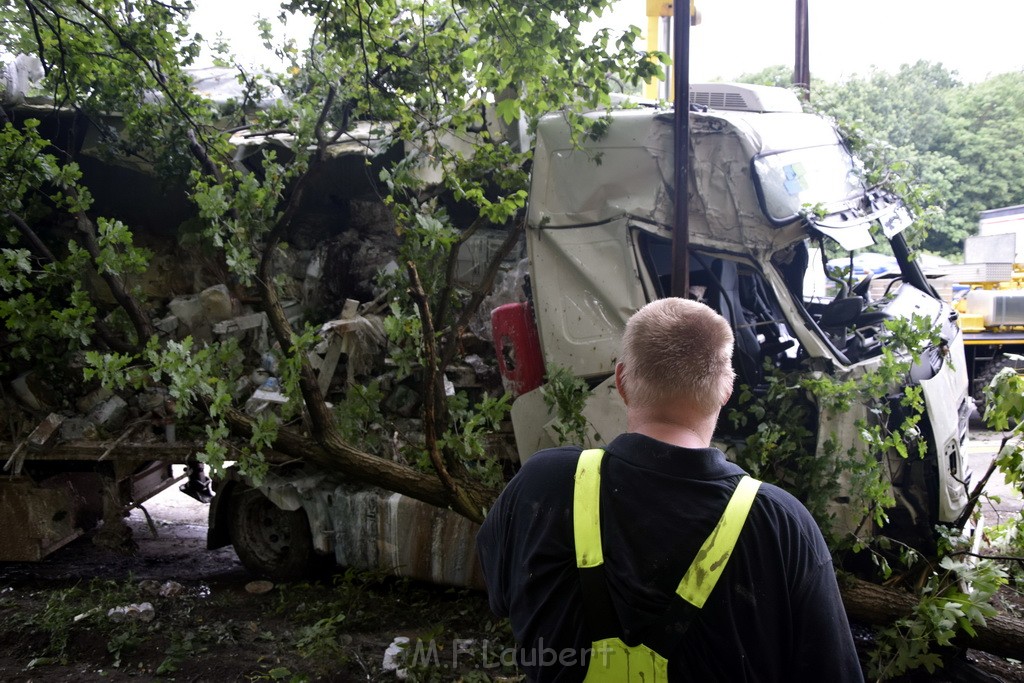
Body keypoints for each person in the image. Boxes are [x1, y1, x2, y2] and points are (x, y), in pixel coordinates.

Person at [476, 297, 863, 682]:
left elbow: (500, 596)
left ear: (622, 381)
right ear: (726, 390)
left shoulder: (542, 484)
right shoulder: (781, 525)